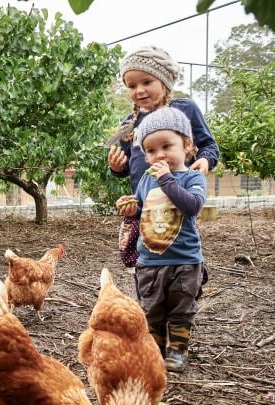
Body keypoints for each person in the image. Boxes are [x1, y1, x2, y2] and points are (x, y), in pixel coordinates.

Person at [109, 46, 219, 269]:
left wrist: (205, 160)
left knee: (174, 252)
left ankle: (182, 287)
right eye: (132, 86)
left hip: (176, 199)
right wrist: (117, 168)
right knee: (145, 258)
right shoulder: (129, 124)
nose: (139, 90)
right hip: (144, 204)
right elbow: (130, 166)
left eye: (146, 82)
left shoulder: (185, 109)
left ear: (164, 81)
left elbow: (208, 145)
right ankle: (152, 294)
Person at [122, 106, 207, 373]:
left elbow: (192, 206)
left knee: (182, 310)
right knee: (152, 310)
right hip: (150, 260)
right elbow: (142, 208)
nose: (159, 155)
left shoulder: (193, 177)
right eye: (150, 150)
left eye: (166, 146)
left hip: (184, 261)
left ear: (187, 145)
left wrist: (168, 179)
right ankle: (154, 351)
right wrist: (129, 207)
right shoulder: (147, 181)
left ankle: (178, 351)